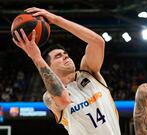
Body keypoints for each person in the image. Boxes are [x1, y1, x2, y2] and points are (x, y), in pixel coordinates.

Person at [12, 7, 121, 135]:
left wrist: (55, 19)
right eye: (58, 56)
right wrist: (36, 57)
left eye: (65, 53)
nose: (65, 56)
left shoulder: (89, 72)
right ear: (49, 67)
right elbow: (64, 100)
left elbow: (98, 42)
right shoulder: (49, 97)